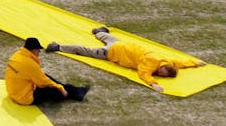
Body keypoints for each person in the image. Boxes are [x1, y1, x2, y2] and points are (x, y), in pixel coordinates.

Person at [47, 27, 205, 94]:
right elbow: (143, 73)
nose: (160, 75)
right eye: (162, 74)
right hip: (115, 53)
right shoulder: (151, 63)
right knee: (86, 51)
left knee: (110, 39)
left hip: (123, 45)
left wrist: (195, 63)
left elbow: (181, 62)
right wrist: (154, 84)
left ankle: (100, 31)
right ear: (164, 69)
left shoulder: (165, 60)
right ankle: (58, 46)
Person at [5, 37, 90, 105]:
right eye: (38, 50)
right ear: (33, 50)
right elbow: (43, 82)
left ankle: (75, 91)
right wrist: (60, 88)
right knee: (52, 90)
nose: (39, 52)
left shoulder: (17, 55)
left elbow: (41, 76)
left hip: (13, 91)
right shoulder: (29, 64)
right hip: (24, 98)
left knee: (46, 77)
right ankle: (74, 92)